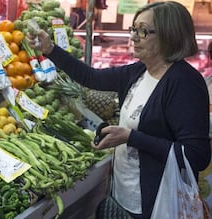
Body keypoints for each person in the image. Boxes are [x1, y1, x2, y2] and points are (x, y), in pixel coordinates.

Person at [27, 1, 211, 218]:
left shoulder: (184, 83)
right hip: (124, 192)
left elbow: (196, 156)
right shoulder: (139, 72)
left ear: (169, 35)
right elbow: (90, 77)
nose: (133, 37)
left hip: (157, 203)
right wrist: (50, 49)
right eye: (134, 29)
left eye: (142, 30)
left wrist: (131, 137)